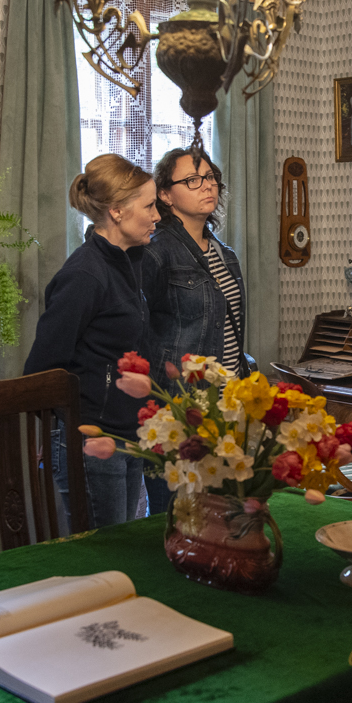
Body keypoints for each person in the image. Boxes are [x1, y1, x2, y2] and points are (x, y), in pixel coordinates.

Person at [25, 153, 159, 527]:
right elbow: (42, 368)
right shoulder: (85, 274)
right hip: (91, 438)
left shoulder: (129, 262)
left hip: (126, 433)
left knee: (121, 547)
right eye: (149, 206)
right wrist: (63, 431)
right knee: (104, 552)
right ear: (116, 211)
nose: (157, 216)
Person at [141, 148, 249, 516]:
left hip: (227, 403)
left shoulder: (223, 253)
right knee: (176, 514)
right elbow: (137, 327)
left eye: (211, 178)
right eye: (192, 180)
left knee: (219, 514)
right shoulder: (157, 251)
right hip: (181, 404)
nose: (207, 186)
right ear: (165, 195)